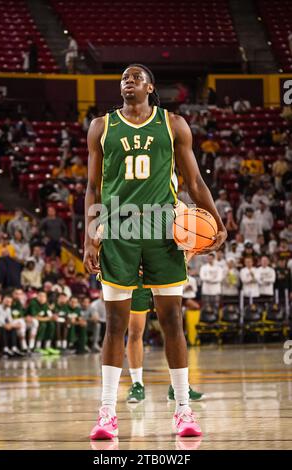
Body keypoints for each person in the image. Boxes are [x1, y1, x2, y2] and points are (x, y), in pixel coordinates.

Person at [83, 64, 227, 440]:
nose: (126, 81)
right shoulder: (101, 127)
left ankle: (183, 409)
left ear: (149, 86)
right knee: (116, 326)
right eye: (122, 78)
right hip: (117, 230)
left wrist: (217, 220)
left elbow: (194, 181)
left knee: (171, 322)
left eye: (134, 77)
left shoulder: (173, 124)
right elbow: (92, 188)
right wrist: (89, 235)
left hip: (163, 231)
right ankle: (106, 414)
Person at [126, 272, 204, 404]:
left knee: (174, 330)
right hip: (137, 274)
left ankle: (179, 386)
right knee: (135, 330)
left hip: (163, 268)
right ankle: (137, 384)